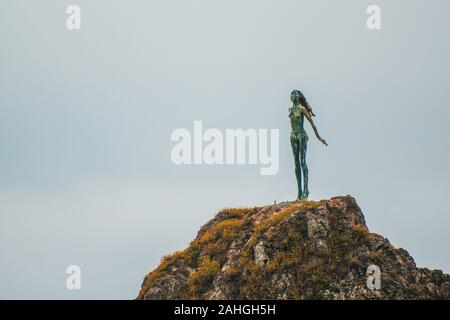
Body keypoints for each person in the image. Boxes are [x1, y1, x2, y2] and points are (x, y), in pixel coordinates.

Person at [289, 90, 327, 200]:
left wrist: (318, 136)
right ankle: (299, 192)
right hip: (293, 135)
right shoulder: (290, 110)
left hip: (301, 135)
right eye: (292, 94)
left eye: (296, 94)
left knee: (302, 162)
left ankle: (306, 190)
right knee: (296, 164)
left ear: (299, 97)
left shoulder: (302, 109)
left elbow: (312, 123)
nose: (293, 96)